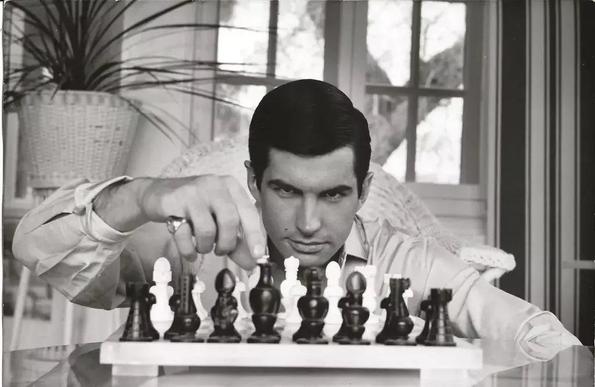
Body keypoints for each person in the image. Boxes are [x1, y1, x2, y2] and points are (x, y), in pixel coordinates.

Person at [12, 79, 579, 359]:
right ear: (253, 181)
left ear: (364, 191)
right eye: (285, 190)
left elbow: (546, 339)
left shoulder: (407, 262)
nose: (308, 222)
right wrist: (141, 195)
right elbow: (42, 253)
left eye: (333, 195)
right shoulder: (189, 248)